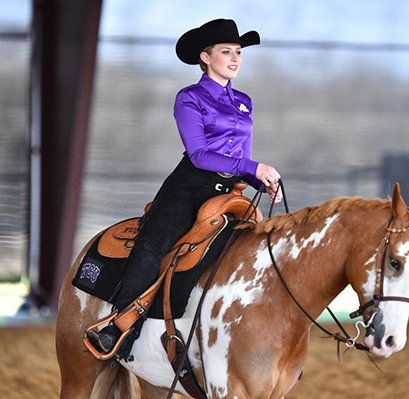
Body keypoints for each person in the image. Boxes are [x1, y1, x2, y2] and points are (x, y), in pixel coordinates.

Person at [87, 18, 282, 355]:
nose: (236, 59)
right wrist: (253, 167)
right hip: (189, 186)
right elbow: (201, 154)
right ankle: (120, 328)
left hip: (230, 193)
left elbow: (239, 155)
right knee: (151, 245)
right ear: (205, 57)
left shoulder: (245, 101)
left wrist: (259, 180)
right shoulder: (189, 98)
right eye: (227, 52)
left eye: (238, 52)